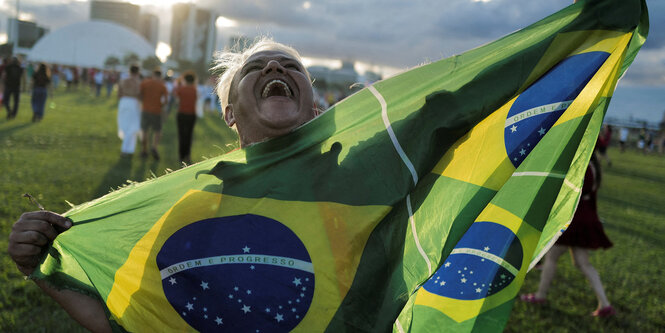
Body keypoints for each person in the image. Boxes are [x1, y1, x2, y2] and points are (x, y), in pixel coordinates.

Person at [7, 39, 319, 331]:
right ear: (229, 113)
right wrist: (37, 267)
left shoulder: (363, 188)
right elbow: (127, 316)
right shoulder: (196, 210)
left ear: (316, 109)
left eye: (291, 66)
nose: (274, 68)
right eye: (254, 67)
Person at [520, 153, 615, 317]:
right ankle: (605, 305)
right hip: (584, 217)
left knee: (552, 257)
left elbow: (573, 191)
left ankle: (541, 295)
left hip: (575, 220)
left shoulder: (585, 167)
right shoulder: (593, 167)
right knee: (582, 263)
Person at [139, 68, 168, 160]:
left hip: (145, 109)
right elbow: (166, 100)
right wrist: (161, 105)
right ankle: (154, 147)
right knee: (157, 130)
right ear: (160, 76)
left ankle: (144, 150)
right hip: (157, 110)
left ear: (153, 74)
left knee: (144, 130)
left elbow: (140, 94)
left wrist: (143, 102)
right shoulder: (162, 86)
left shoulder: (145, 83)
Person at [117, 65, 142, 156]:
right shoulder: (138, 82)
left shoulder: (123, 81)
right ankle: (126, 149)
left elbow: (118, 94)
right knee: (133, 126)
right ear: (138, 72)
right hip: (133, 102)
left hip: (123, 101)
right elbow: (140, 95)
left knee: (125, 124)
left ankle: (129, 149)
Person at [174, 71, 198, 164]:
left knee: (181, 135)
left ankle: (181, 156)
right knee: (189, 135)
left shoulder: (181, 89)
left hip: (181, 113)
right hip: (191, 114)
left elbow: (176, 100)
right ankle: (187, 156)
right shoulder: (194, 90)